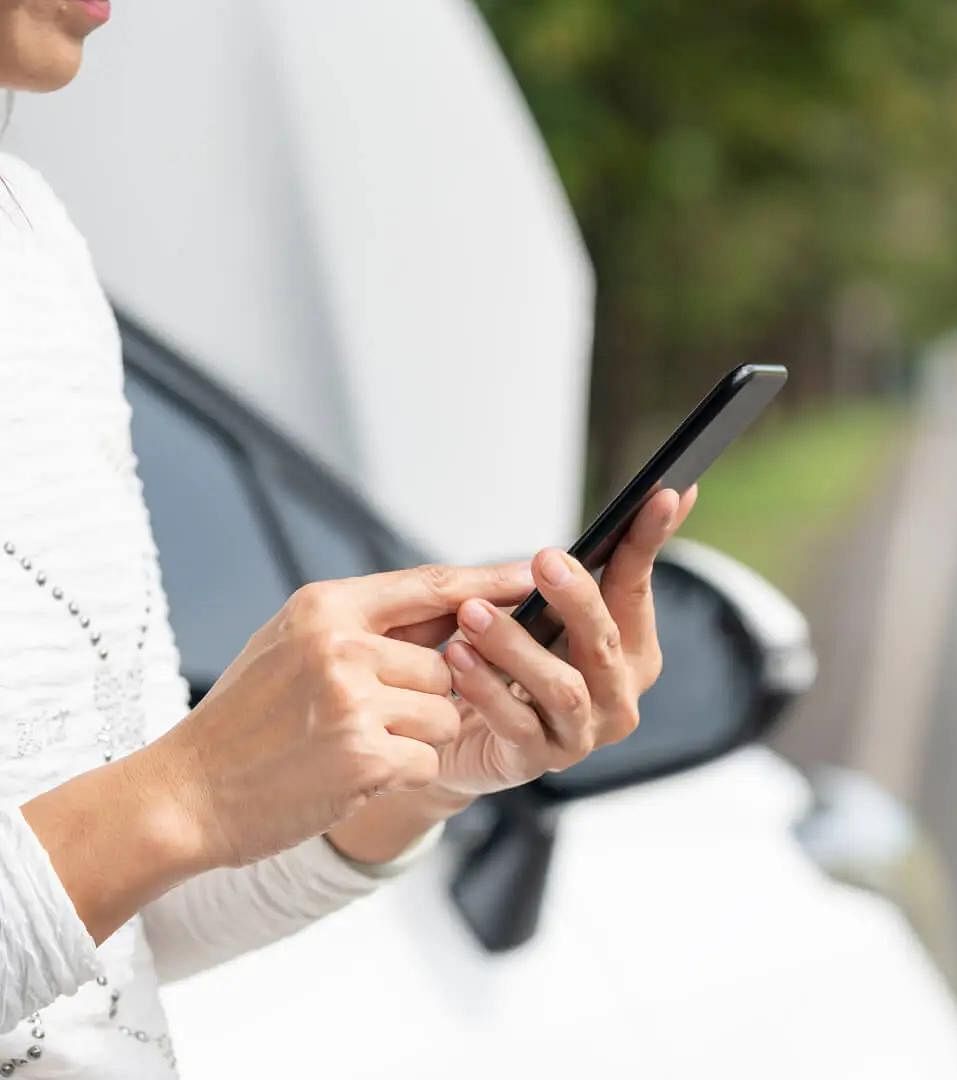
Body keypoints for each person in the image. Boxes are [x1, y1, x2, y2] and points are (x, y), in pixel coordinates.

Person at [0, 2, 697, 1075]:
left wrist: (427, 763)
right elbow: (128, 837)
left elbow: (100, 946)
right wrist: (181, 790)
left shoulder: (34, 245)